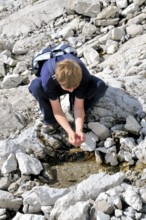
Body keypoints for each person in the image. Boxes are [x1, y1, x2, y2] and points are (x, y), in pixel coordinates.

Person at [29, 53, 108, 147]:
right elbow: (57, 110)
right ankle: (50, 121)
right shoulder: (48, 80)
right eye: (68, 89)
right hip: (54, 83)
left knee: (100, 86)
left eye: (74, 88)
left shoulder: (83, 75)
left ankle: (76, 113)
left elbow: (79, 107)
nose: (71, 90)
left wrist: (79, 130)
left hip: (74, 82)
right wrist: (70, 131)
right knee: (35, 87)